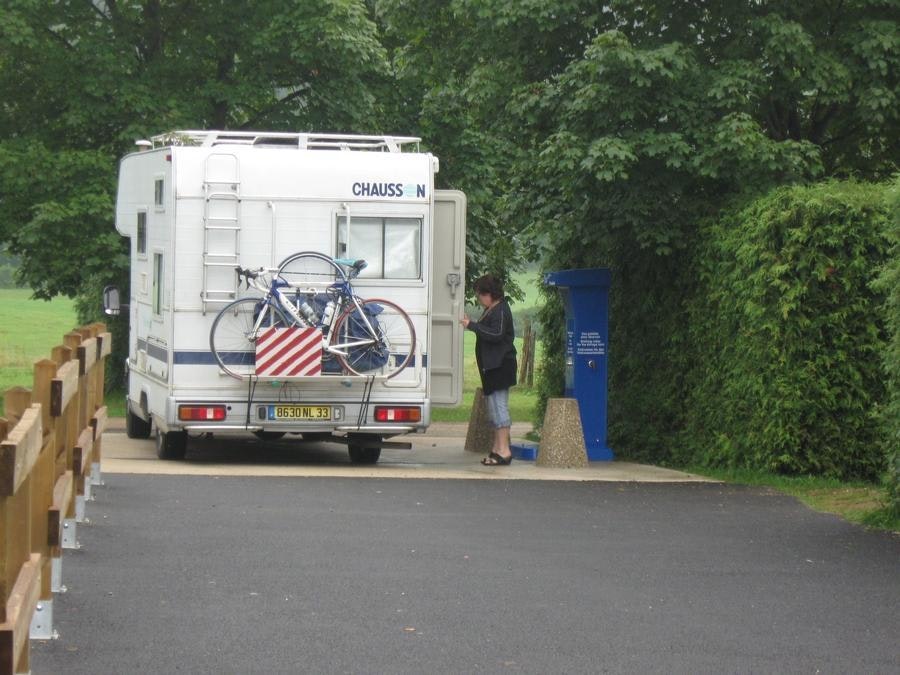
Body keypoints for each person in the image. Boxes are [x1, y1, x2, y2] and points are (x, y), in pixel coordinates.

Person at [460, 274, 517, 465]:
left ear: (489, 294)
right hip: (491, 366)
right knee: (493, 408)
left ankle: (504, 451)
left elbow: (496, 334)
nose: (478, 298)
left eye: (480, 294)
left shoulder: (500, 310)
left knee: (500, 408)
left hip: (501, 365)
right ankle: (496, 448)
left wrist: (472, 326)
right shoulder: (491, 309)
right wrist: (473, 324)